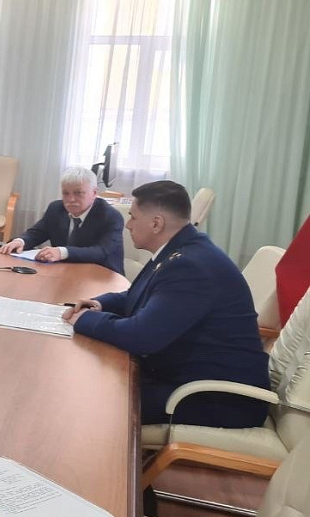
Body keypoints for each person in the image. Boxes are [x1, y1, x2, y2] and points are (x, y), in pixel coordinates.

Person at [65, 180, 269, 428]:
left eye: (133, 217)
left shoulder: (191, 266)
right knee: (89, 381)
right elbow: (139, 295)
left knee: (90, 400)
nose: (128, 225)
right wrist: (99, 304)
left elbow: (141, 337)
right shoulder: (180, 250)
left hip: (216, 398)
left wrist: (85, 320)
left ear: (156, 223)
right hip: (183, 376)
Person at [0, 167, 124, 274]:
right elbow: (37, 233)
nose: (71, 199)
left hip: (102, 277)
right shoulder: (56, 208)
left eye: (78, 193)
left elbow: (101, 251)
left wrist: (62, 252)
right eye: (66, 193)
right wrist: (21, 241)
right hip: (64, 273)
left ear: (94, 193)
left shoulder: (110, 216)